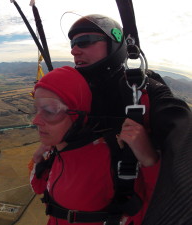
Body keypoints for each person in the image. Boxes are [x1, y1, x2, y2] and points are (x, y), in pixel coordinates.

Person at [67, 14, 192, 225]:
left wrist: (149, 157)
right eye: (72, 43)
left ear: (114, 45)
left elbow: (184, 140)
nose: (74, 50)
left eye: (84, 41)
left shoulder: (148, 92)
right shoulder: (74, 93)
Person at [29, 66, 160, 225]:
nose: (35, 120)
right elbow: (39, 188)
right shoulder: (55, 153)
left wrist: (149, 160)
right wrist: (38, 161)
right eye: (35, 109)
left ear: (77, 115)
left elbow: (154, 212)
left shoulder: (108, 158)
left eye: (49, 110)